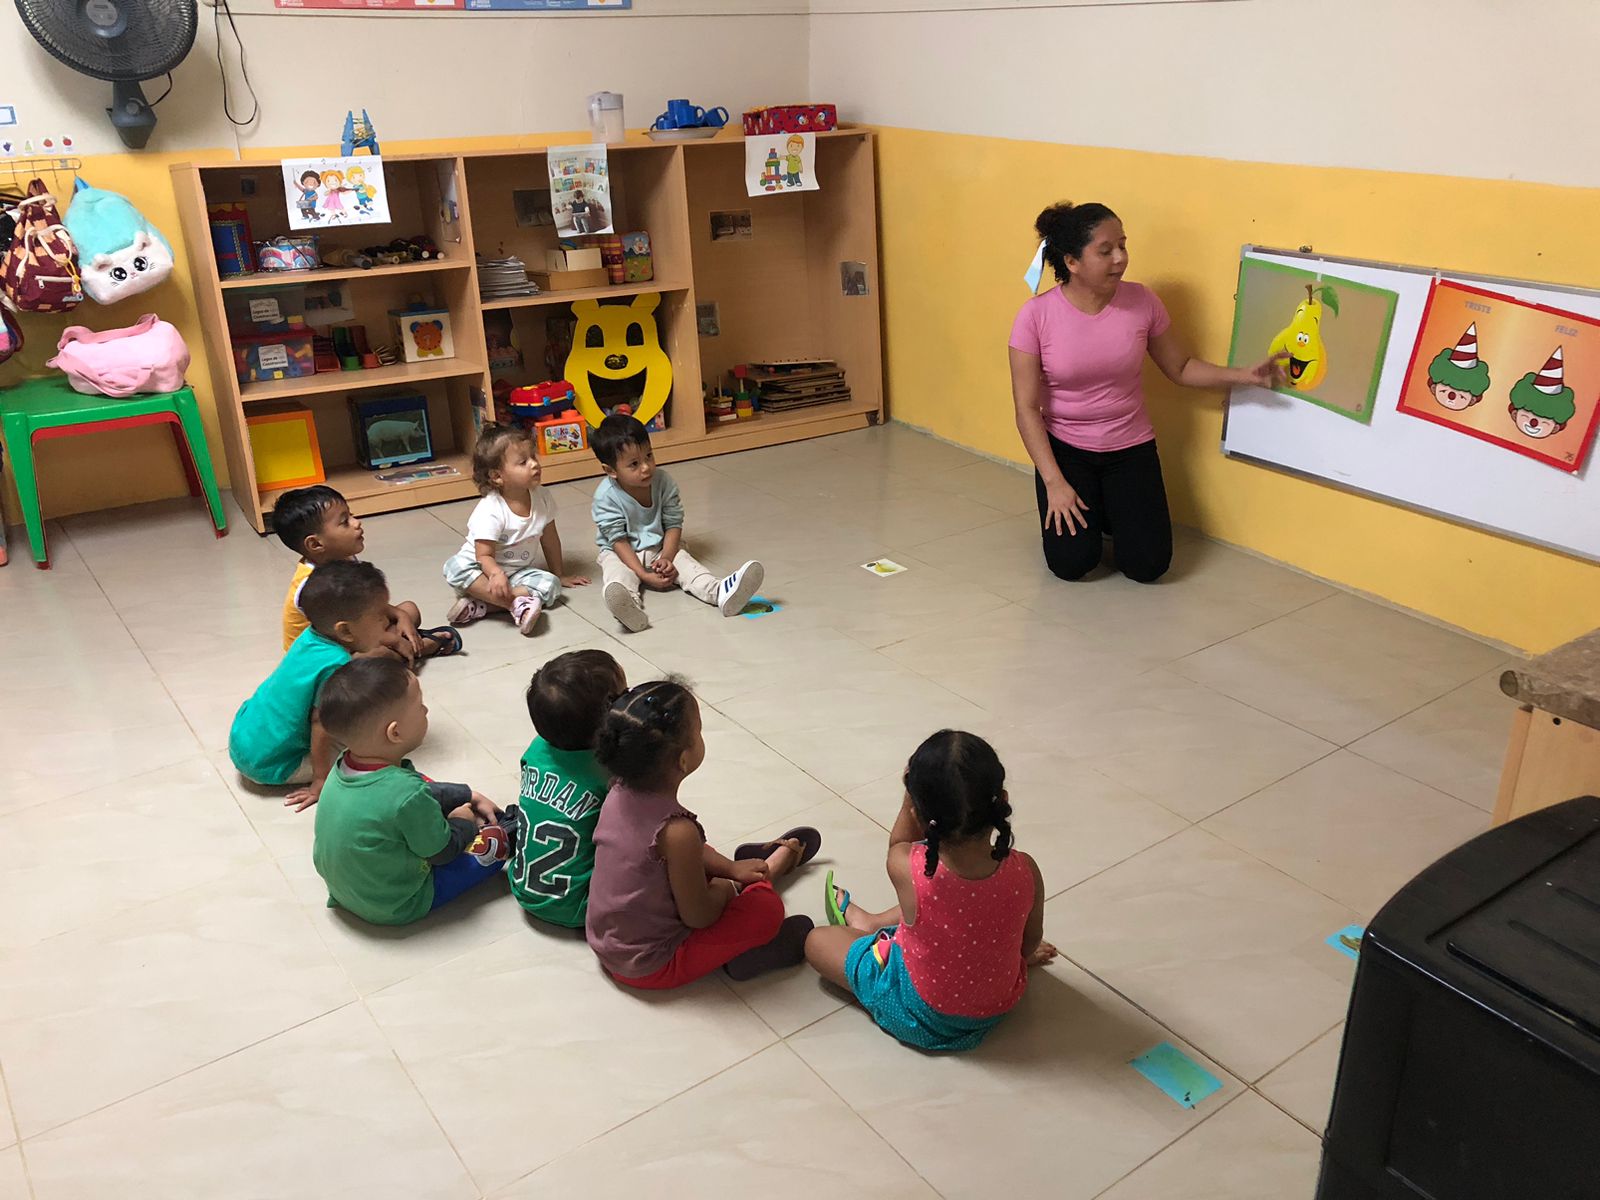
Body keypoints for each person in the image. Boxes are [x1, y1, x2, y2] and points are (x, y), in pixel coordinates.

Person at [1008, 201, 1285, 583]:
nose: (1120, 258)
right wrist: (1055, 482)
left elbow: (1181, 367)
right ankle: (1096, 509)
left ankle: (1109, 510)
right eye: (1106, 251)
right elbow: (1026, 408)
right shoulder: (1035, 316)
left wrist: (1244, 375)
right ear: (1072, 262)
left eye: (1123, 245)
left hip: (1130, 447)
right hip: (1066, 451)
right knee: (1072, 564)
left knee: (1149, 566)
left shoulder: (1142, 301)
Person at [804, 730, 1057, 1052]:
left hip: (919, 1015)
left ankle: (873, 939)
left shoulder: (909, 867)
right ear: (1002, 801)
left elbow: (898, 844)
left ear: (917, 813)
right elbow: (1030, 939)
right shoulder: (1026, 869)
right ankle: (873, 923)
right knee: (942, 908)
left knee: (817, 941)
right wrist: (1018, 957)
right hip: (996, 1006)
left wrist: (908, 797)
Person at [585, 679, 821, 988]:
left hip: (608, 942)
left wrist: (730, 868)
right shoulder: (677, 832)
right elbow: (699, 917)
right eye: (698, 732)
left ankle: (749, 871)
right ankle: (754, 934)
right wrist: (724, 887)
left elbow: (673, 854)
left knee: (698, 859)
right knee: (767, 909)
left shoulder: (616, 790)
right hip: (651, 965)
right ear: (683, 760)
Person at [312, 658, 513, 925]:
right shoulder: (407, 794)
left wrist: (468, 795)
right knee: (496, 843)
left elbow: (414, 790)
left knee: (420, 788)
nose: (426, 709)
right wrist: (463, 821)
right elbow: (442, 852)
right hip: (397, 903)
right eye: (420, 706)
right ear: (395, 733)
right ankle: (505, 835)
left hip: (345, 892)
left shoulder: (343, 766)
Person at [229, 561, 394, 811]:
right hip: (272, 764)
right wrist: (320, 780)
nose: (386, 621)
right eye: (379, 616)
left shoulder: (309, 637)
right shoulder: (335, 665)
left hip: (244, 739)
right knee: (368, 740)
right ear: (345, 631)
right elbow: (321, 725)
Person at [590, 413, 763, 632]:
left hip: (660, 545)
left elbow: (673, 523)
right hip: (620, 552)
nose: (646, 467)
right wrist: (643, 575)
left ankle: (720, 591)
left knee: (688, 566)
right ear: (611, 470)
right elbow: (618, 541)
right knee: (618, 575)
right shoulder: (605, 496)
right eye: (634, 464)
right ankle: (627, 608)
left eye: (649, 456)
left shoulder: (663, 481)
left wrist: (667, 557)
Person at [273, 485, 458, 659]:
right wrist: (394, 640)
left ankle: (408, 645)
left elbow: (364, 606)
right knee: (373, 658)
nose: (357, 522)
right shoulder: (314, 585)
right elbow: (347, 631)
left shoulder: (345, 558)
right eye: (345, 522)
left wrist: (400, 616)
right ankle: (422, 647)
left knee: (409, 610)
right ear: (315, 544)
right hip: (322, 655)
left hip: (353, 632)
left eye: (351, 515)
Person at [512, 649, 627, 927]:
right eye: (625, 696)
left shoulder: (535, 750)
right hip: (583, 905)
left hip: (524, 890)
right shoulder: (609, 771)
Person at [443, 423, 589, 636]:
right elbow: (483, 555)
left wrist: (559, 574)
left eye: (533, 457)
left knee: (551, 585)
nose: (534, 464)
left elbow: (550, 539)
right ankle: (515, 603)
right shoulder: (491, 509)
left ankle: (481, 605)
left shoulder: (542, 498)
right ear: (497, 476)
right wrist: (495, 574)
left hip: (516, 574)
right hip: (482, 572)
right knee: (454, 567)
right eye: (523, 462)